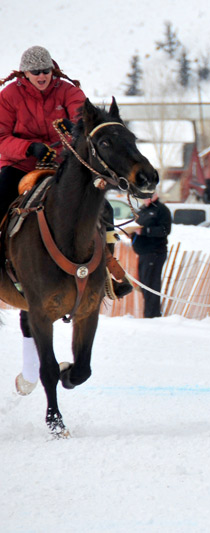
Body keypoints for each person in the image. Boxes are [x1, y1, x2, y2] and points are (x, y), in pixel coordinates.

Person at [0, 46, 86, 396]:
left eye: (46, 71)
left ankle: (109, 267)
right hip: (19, 168)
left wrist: (73, 131)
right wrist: (29, 149)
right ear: (24, 74)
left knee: (99, 210)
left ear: (52, 70)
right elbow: (1, 138)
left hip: (64, 168)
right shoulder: (8, 96)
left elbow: (85, 121)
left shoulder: (68, 91)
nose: (42, 76)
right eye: (35, 72)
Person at [132, 192, 172, 318]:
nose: (146, 199)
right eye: (143, 196)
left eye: (148, 195)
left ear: (155, 195)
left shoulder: (161, 210)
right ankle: (149, 314)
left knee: (151, 284)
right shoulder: (143, 210)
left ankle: (152, 316)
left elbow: (165, 230)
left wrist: (145, 231)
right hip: (143, 252)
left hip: (154, 252)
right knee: (144, 283)